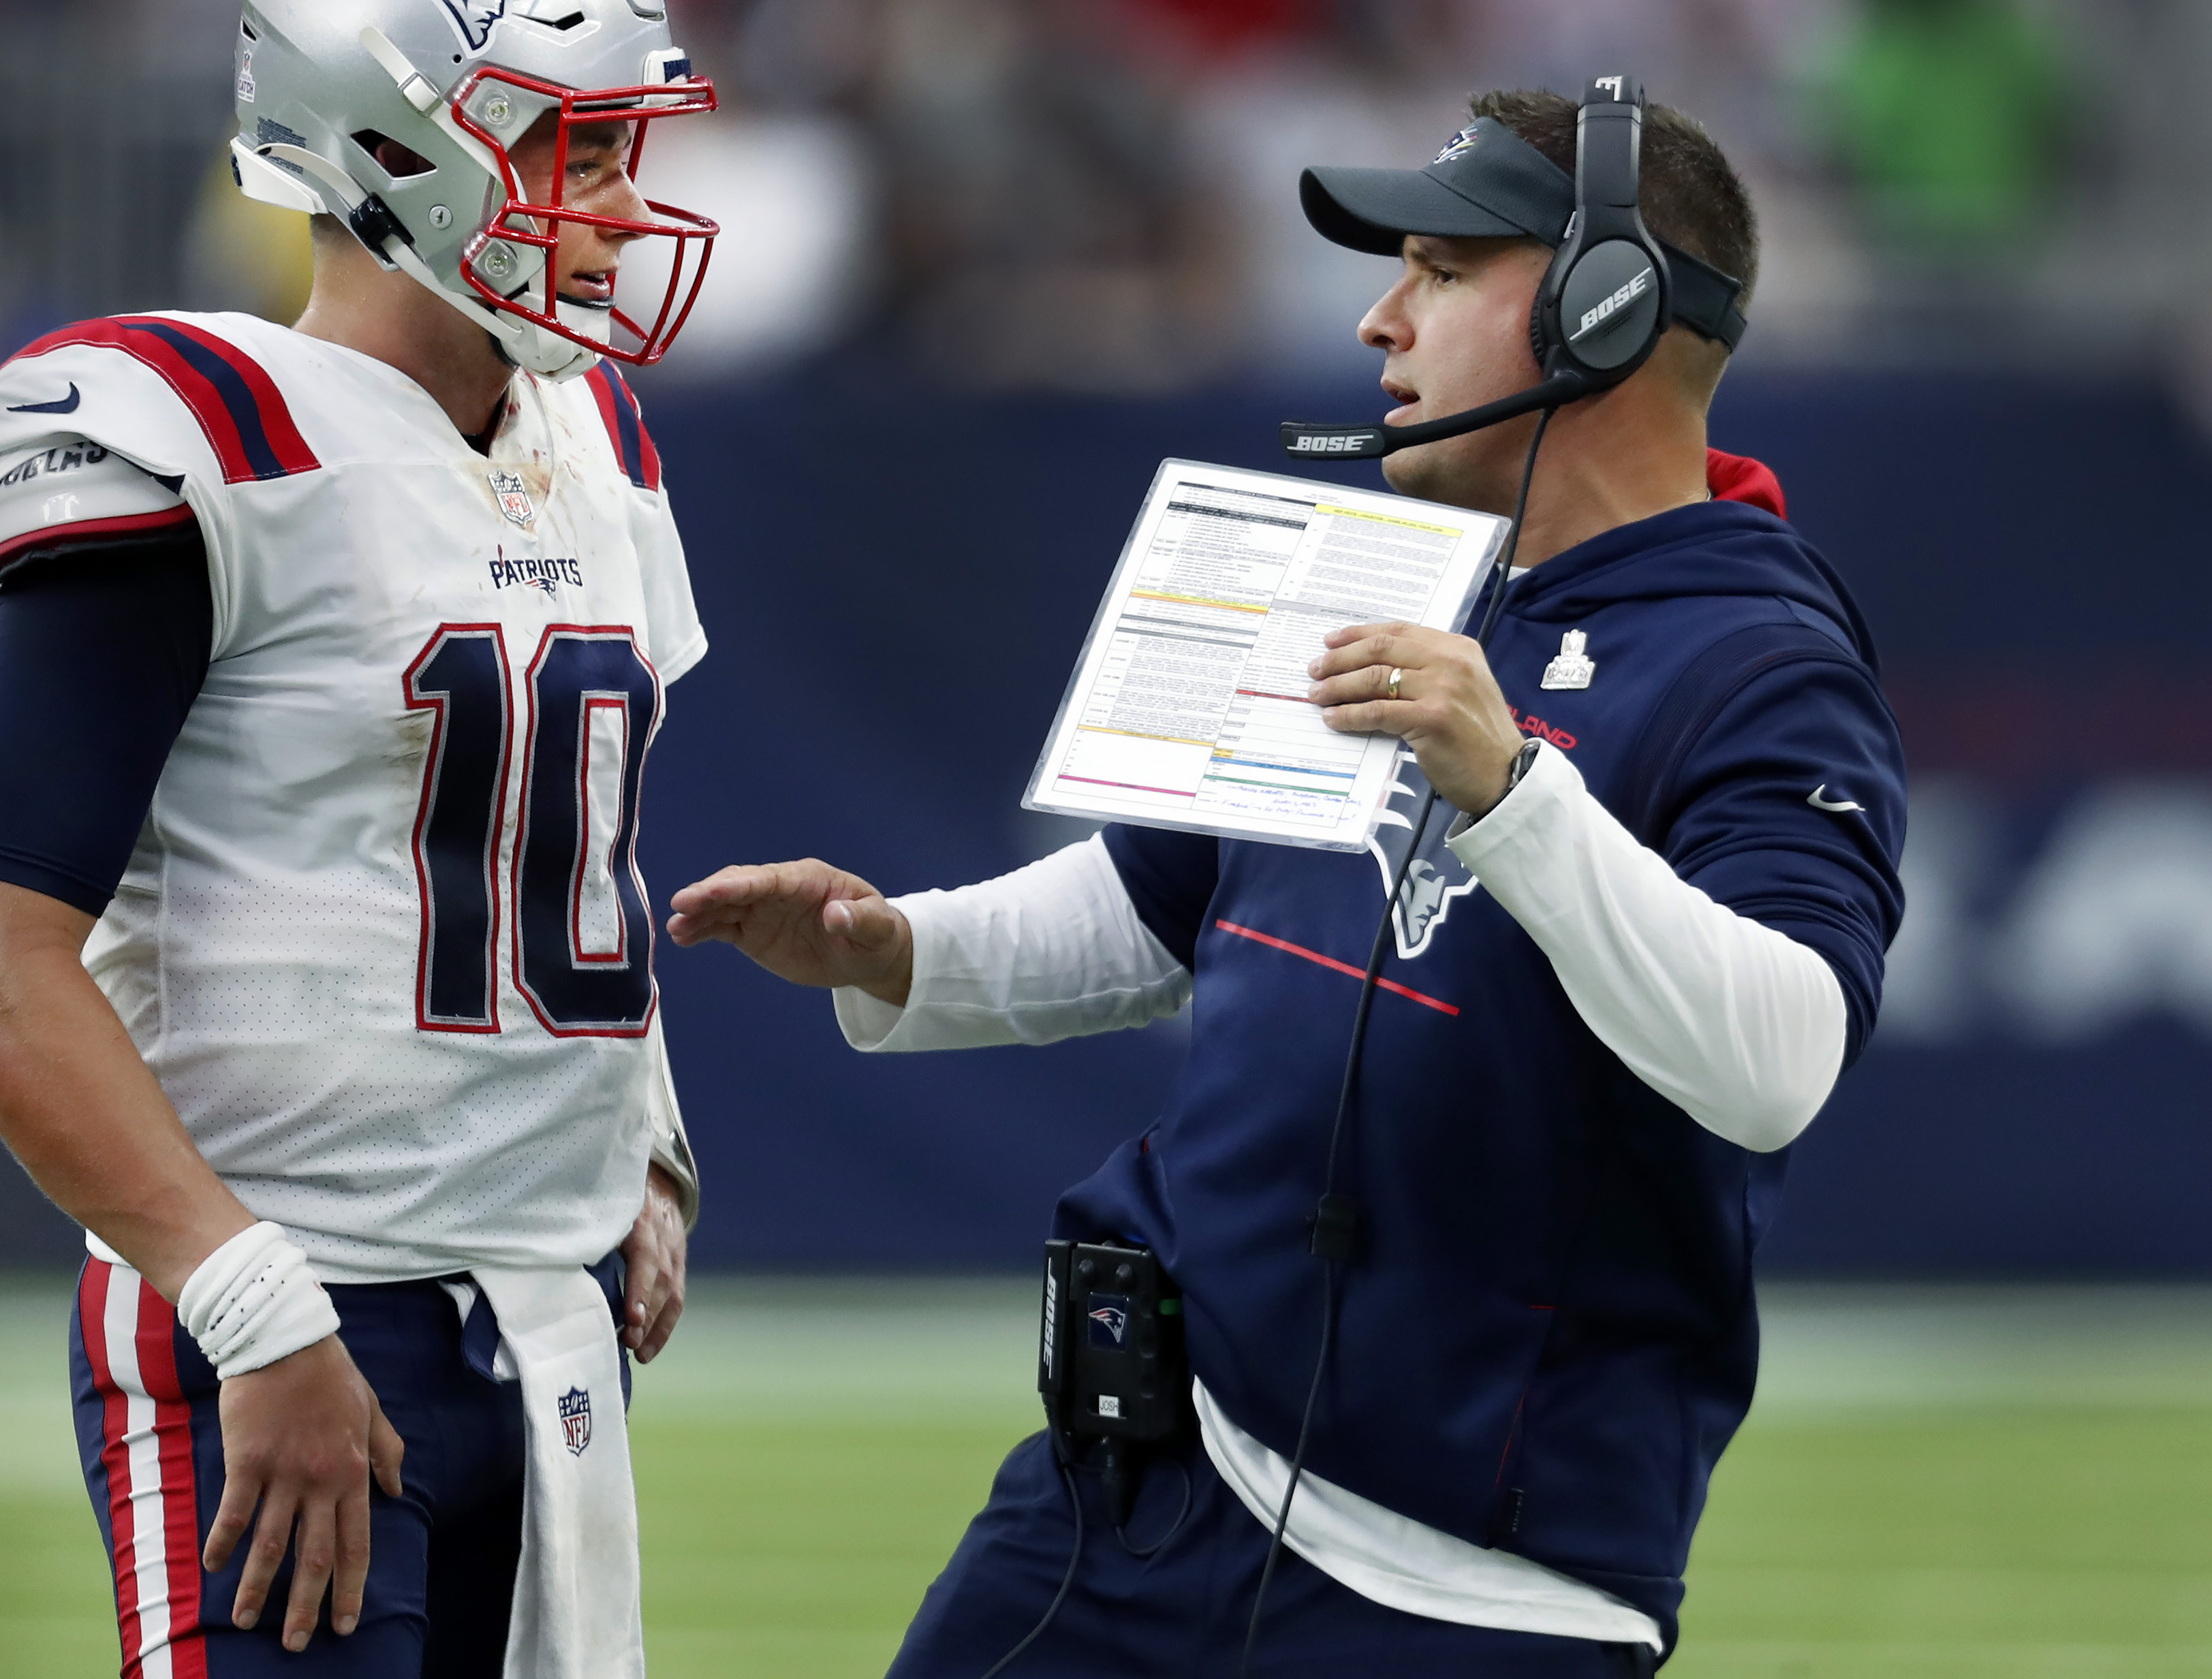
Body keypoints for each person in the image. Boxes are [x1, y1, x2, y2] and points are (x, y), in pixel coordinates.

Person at [668, 89, 1907, 1674]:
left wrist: (1514, 790)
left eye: (1442, 272)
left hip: (1469, 1584)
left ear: (1608, 309)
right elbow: (1160, 905)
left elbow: (1782, 1060)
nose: (1382, 319)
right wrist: (893, 944)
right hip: (1139, 1481)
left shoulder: (1763, 663)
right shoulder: (1387, 569)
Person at [0, 0, 719, 1676]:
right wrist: (260, 1315)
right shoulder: (198, 431)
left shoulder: (593, 442)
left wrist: (644, 1150)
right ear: (396, 143)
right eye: (574, 151)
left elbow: (565, 858)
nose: (618, 209)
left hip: (546, 1320)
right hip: (285, 1305)